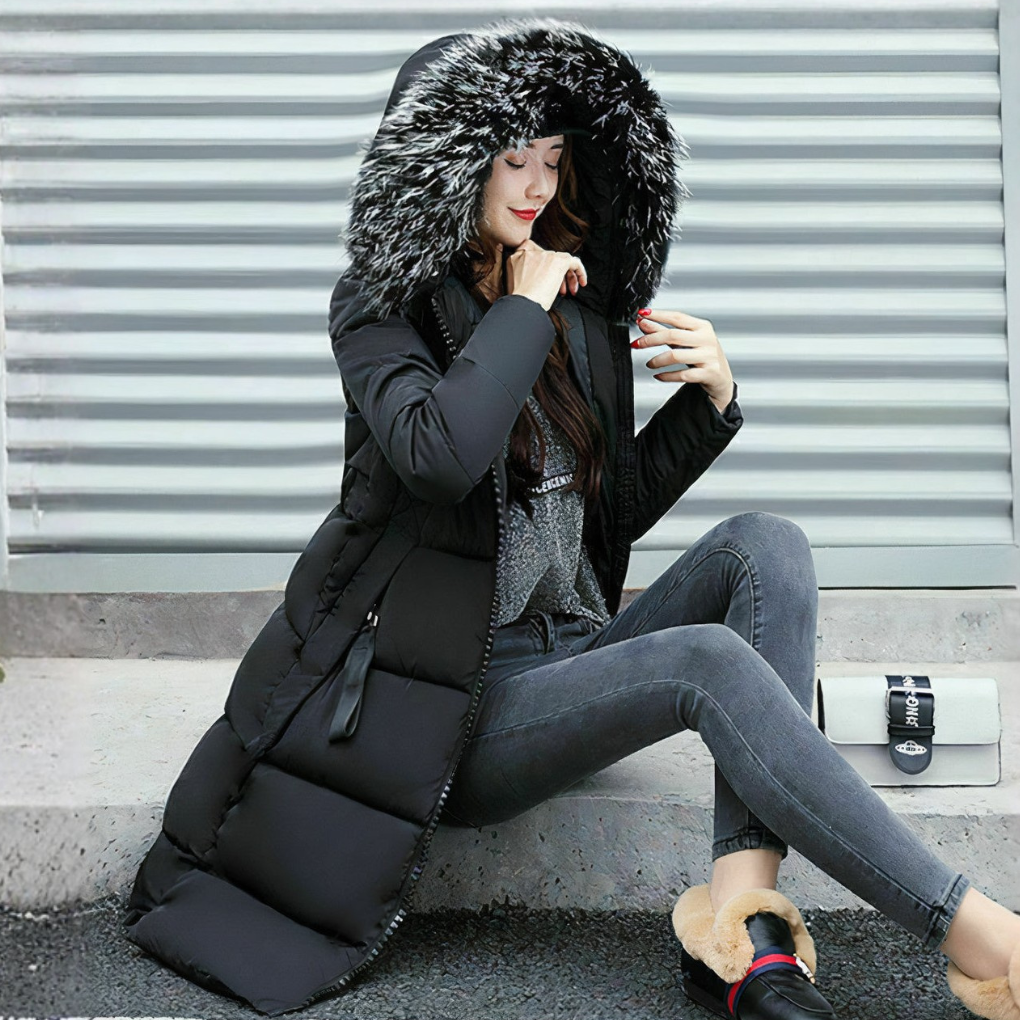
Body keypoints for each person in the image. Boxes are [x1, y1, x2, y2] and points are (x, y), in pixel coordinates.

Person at [122, 18, 1020, 1019]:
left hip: (576, 654)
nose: (537, 186)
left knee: (767, 545)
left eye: (552, 160)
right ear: (449, 163)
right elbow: (439, 457)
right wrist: (521, 312)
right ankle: (985, 938)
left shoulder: (575, 308)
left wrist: (710, 401)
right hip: (457, 709)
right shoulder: (381, 310)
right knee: (706, 662)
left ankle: (743, 932)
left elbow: (605, 521)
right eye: (512, 160)